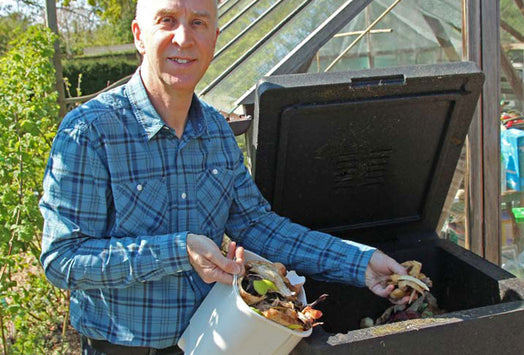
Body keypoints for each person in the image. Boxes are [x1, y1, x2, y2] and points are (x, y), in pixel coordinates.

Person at [39, 0, 408, 354]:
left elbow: (259, 226)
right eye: (167, 20)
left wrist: (360, 263)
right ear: (139, 35)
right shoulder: (91, 131)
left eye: (198, 23)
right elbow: (63, 258)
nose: (184, 39)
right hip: (122, 348)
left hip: (216, 339)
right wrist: (177, 251)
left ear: (214, 38)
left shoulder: (215, 131)